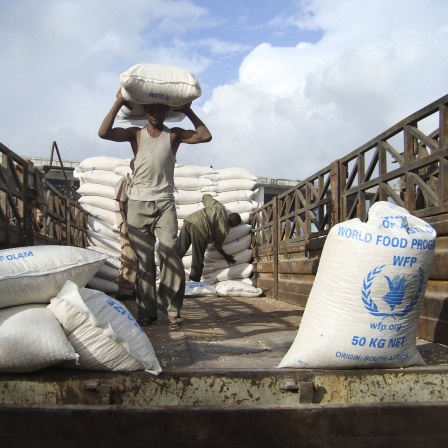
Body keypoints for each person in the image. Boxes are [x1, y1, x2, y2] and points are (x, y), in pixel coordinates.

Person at [99, 88, 212, 326]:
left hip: (164, 203)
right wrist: (119, 101)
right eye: (151, 110)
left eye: (161, 109)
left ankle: (171, 309)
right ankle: (146, 313)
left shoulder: (174, 135)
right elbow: (104, 132)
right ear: (145, 111)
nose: (155, 114)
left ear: (166, 112)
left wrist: (189, 111)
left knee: (170, 251)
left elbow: (205, 136)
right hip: (138, 204)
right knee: (144, 260)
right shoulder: (136, 135)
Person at [178, 194, 242, 282]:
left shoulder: (218, 206)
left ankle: (168, 272)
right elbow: (217, 245)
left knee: (179, 250)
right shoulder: (224, 228)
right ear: (233, 222)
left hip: (189, 220)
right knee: (198, 255)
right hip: (201, 227)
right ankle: (194, 280)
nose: (232, 227)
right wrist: (226, 256)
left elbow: (205, 196)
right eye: (234, 225)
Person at [115, 160, 138, 300]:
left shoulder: (141, 182)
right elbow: (122, 203)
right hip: (127, 222)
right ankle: (125, 290)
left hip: (138, 223)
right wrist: (127, 224)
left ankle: (134, 288)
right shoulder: (125, 180)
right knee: (129, 256)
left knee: (138, 257)